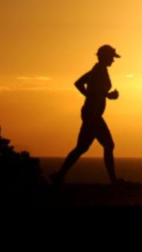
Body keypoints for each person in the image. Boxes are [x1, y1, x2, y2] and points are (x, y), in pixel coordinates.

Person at [51, 45, 121, 185]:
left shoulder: (98, 70)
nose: (113, 60)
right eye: (111, 58)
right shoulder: (98, 71)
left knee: (82, 147)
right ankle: (114, 181)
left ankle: (59, 176)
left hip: (91, 113)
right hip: (92, 114)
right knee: (108, 145)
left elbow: (83, 85)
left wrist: (105, 95)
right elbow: (82, 85)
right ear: (104, 57)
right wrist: (94, 97)